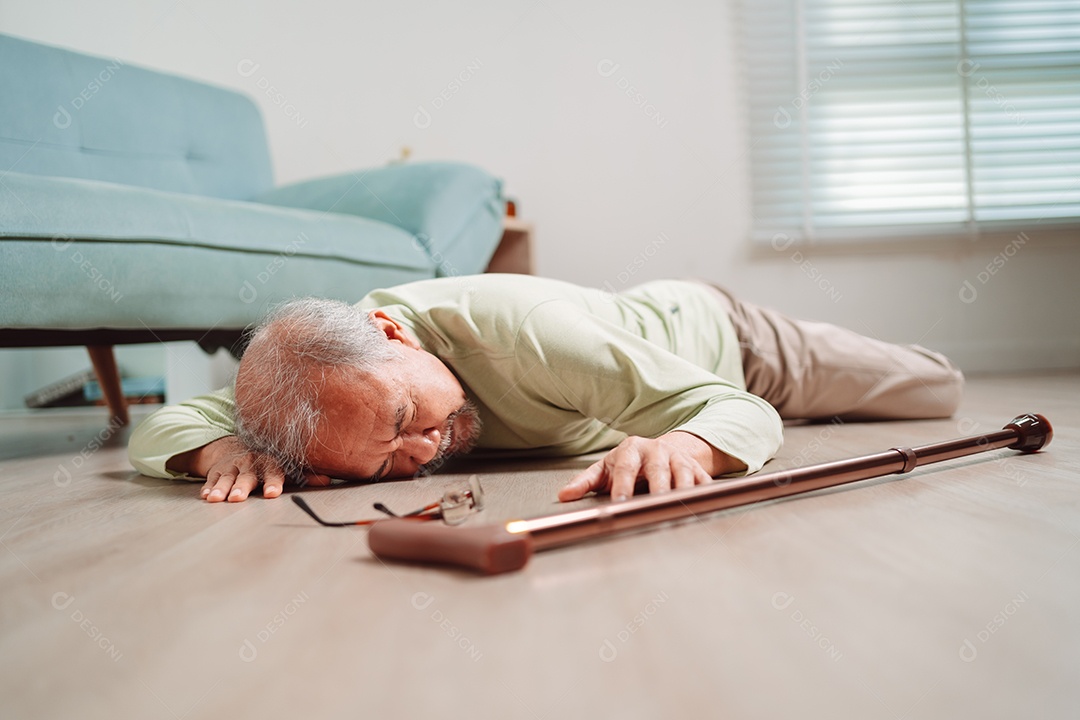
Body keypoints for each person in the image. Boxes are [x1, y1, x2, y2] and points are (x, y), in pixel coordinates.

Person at [127, 274, 963, 504]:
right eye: (381, 468)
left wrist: (682, 441)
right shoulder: (297, 391)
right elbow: (156, 427)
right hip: (632, 370)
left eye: (403, 416)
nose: (422, 451)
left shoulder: (525, 335)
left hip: (729, 345)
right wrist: (221, 450)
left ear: (391, 335)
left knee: (935, 390)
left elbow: (735, 408)